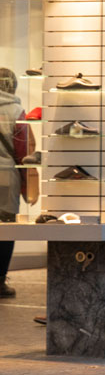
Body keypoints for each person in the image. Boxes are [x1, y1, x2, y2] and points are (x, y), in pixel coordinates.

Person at [0, 66, 31, 299]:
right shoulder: (17, 110)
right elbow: (23, 151)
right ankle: (0, 280)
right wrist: (26, 183)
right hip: (5, 177)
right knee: (6, 228)